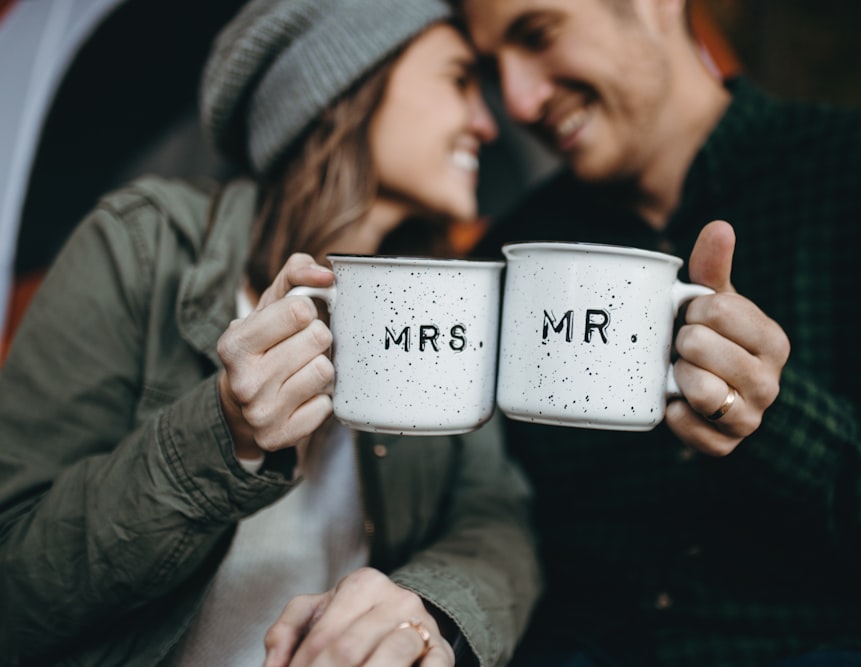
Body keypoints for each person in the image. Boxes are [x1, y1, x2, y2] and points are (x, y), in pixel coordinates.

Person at [454, 0, 861, 665]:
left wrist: (777, 419)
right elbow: (488, 511)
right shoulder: (513, 252)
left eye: (538, 34)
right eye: (492, 69)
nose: (517, 99)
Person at [0, 0, 541, 665]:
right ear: (348, 81)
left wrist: (430, 610)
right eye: (459, 79)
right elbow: (14, 589)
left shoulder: (443, 294)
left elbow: (496, 517)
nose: (488, 121)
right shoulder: (140, 246)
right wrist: (222, 436)